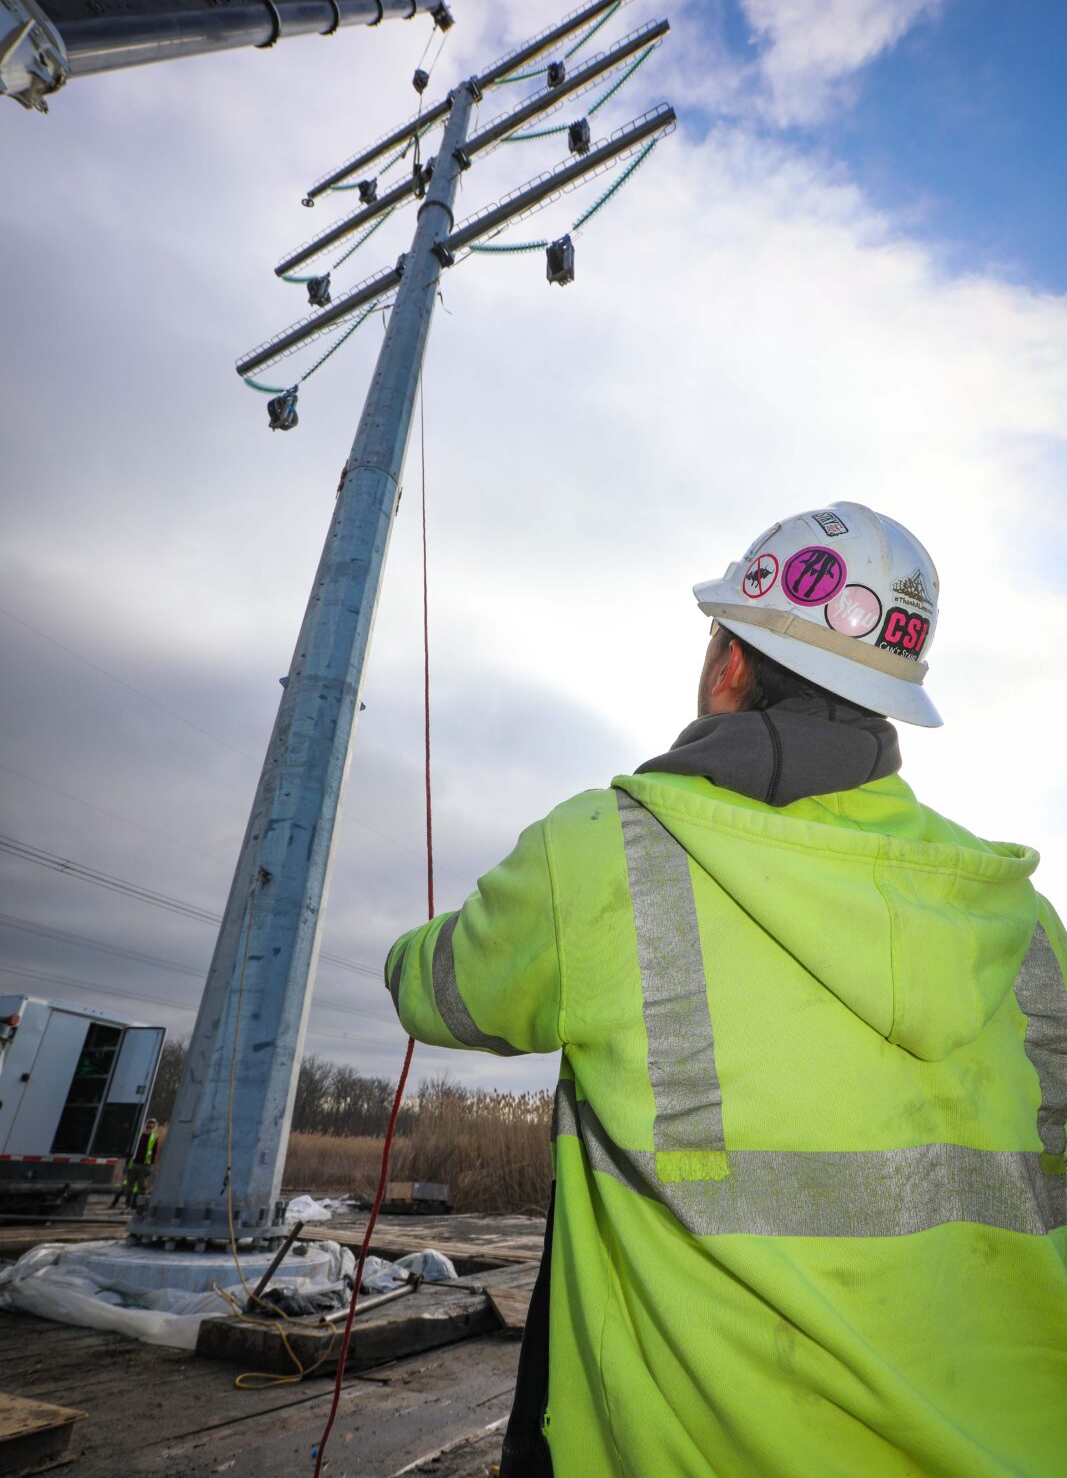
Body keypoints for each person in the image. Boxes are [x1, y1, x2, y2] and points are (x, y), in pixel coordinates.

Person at [385, 504, 1067, 1478]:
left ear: (731, 664)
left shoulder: (608, 847)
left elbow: (440, 991)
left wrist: (426, 939)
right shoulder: (1021, 915)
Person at [111, 1116, 159, 1210]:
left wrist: (151, 1165)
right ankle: (127, 1205)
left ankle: (138, 1206)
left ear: (154, 1127)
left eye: (152, 1125)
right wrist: (127, 1164)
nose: (150, 1126)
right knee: (129, 1187)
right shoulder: (139, 1135)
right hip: (133, 1164)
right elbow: (131, 1150)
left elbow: (154, 1152)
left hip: (144, 1165)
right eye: (149, 1124)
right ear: (146, 1125)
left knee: (141, 1187)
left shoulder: (154, 1138)